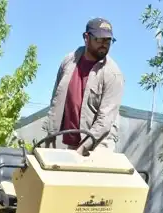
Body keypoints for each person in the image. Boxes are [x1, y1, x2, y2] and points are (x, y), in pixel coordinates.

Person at [43, 18, 125, 154]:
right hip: (73, 143)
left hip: (98, 146)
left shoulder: (113, 74)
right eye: (99, 39)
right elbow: (56, 99)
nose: (104, 44)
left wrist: (82, 150)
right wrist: (50, 134)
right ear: (86, 37)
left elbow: (105, 120)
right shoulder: (69, 62)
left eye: (108, 40)